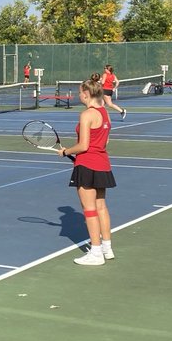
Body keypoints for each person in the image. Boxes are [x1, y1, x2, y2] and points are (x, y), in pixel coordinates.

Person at [52, 77, 116, 266]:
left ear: (86, 94)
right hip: (103, 164)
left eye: (80, 92)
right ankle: (106, 247)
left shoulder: (87, 114)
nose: (79, 95)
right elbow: (104, 142)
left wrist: (65, 152)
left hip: (87, 164)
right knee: (101, 206)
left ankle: (96, 253)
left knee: (89, 209)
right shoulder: (105, 113)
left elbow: (83, 145)